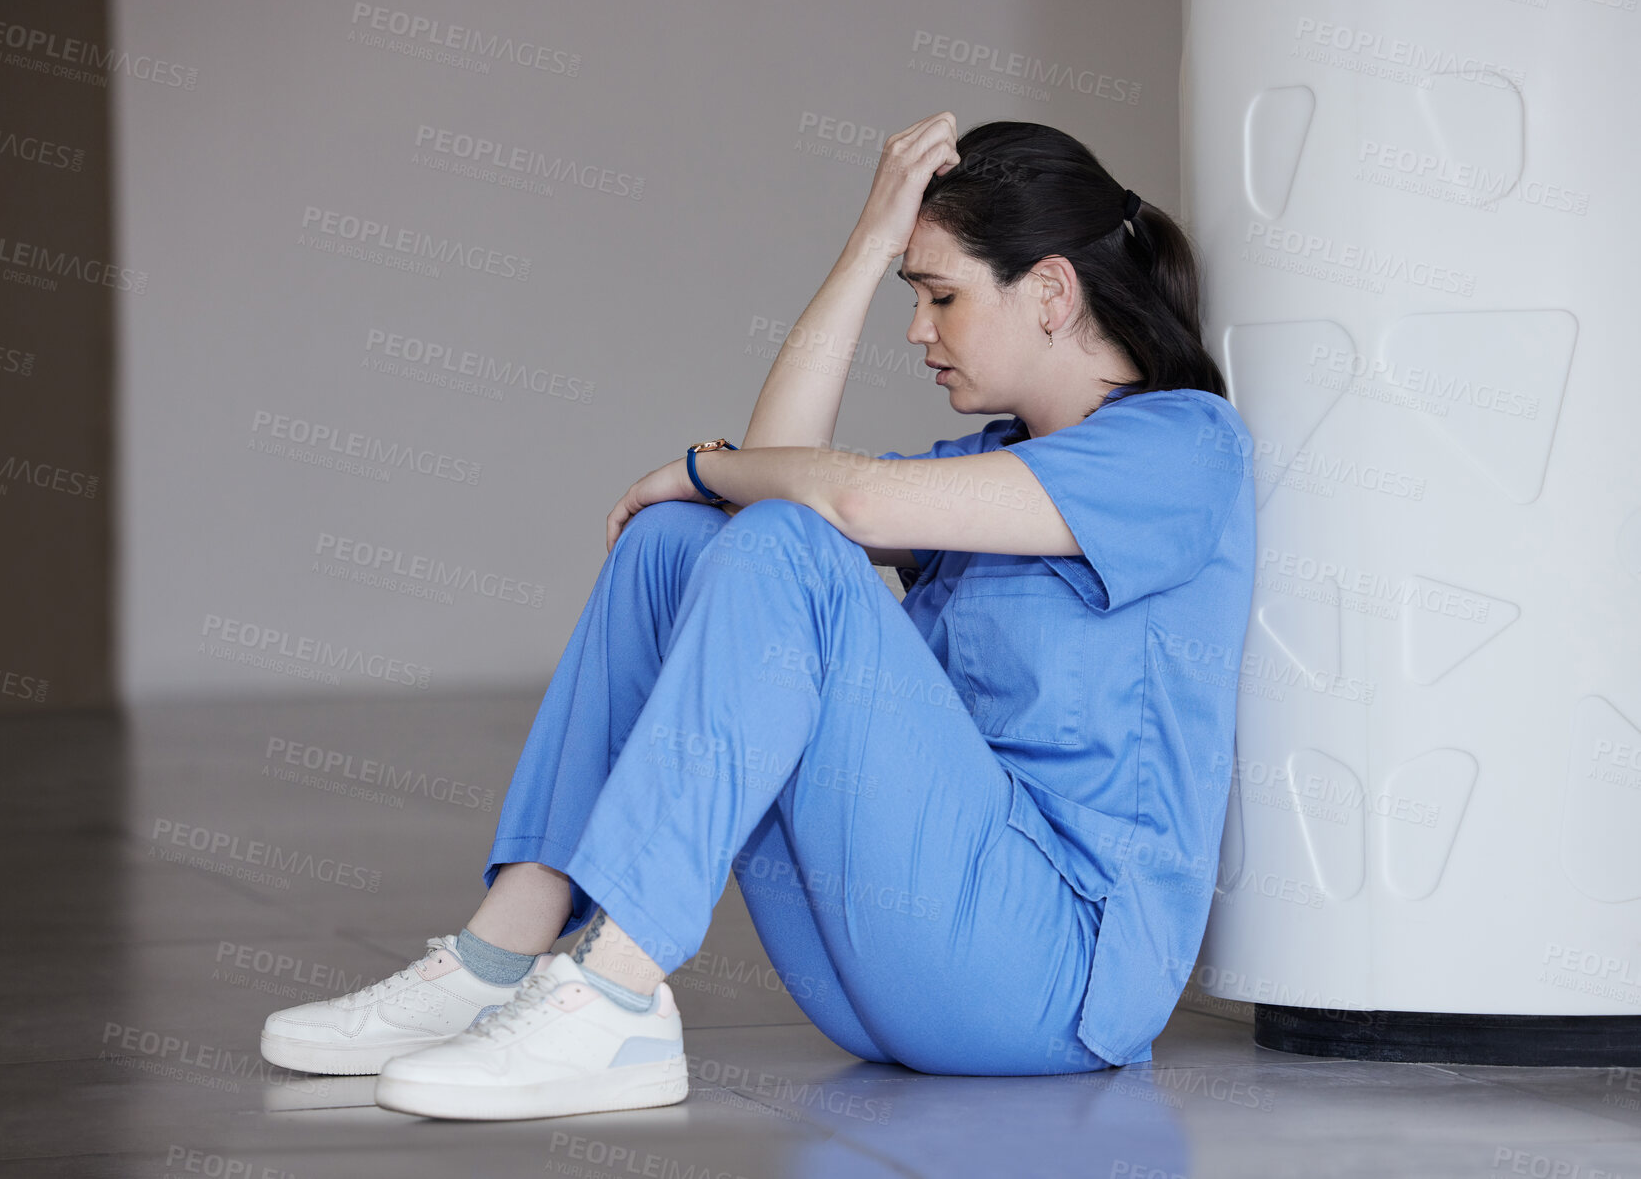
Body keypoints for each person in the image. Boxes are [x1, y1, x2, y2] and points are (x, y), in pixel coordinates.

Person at [260, 112, 1256, 1122]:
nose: (916, 331)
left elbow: (832, 508)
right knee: (675, 545)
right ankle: (495, 958)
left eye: (939, 297)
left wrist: (699, 464)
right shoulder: (982, 468)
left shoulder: (1181, 446)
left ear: (1049, 292)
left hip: (1051, 984)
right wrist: (868, 243)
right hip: (886, 979)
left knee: (777, 535)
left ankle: (612, 996)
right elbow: (780, 491)